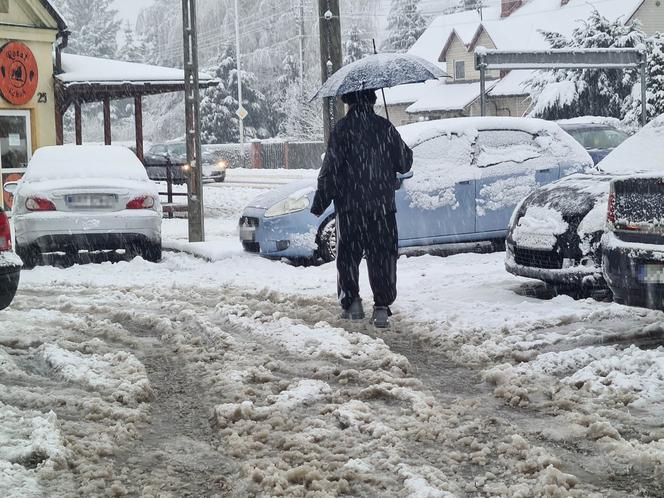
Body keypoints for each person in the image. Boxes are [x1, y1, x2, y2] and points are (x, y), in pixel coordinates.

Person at [311, 89, 413, 328]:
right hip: (382, 210)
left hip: (351, 209)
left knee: (348, 256)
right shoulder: (384, 128)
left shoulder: (342, 131)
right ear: (372, 100)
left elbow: (330, 172)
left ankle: (352, 302)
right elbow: (405, 161)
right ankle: (381, 307)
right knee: (383, 257)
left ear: (348, 102)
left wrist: (320, 203)